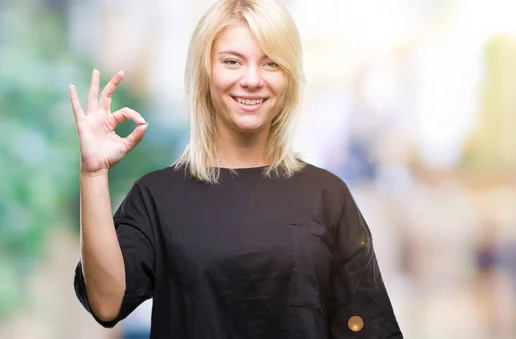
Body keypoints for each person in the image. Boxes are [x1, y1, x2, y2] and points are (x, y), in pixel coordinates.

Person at [70, 0, 403, 338]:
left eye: (270, 63)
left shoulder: (327, 196)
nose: (252, 79)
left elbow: (369, 328)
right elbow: (107, 302)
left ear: (288, 77)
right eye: (232, 61)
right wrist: (93, 174)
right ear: (205, 72)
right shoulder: (158, 197)